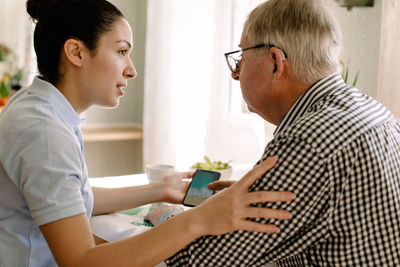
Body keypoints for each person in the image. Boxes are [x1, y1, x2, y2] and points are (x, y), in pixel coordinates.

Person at [0, 0, 297, 266]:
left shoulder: (37, 108)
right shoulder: (45, 133)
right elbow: (81, 261)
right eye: (121, 51)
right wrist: (198, 220)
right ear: (76, 52)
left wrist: (158, 189)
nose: (132, 70)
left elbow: (71, 196)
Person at [166, 0, 400, 266]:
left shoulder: (308, 141)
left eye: (242, 56)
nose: (235, 73)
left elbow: (195, 260)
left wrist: (168, 216)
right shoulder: (377, 113)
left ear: (276, 63)